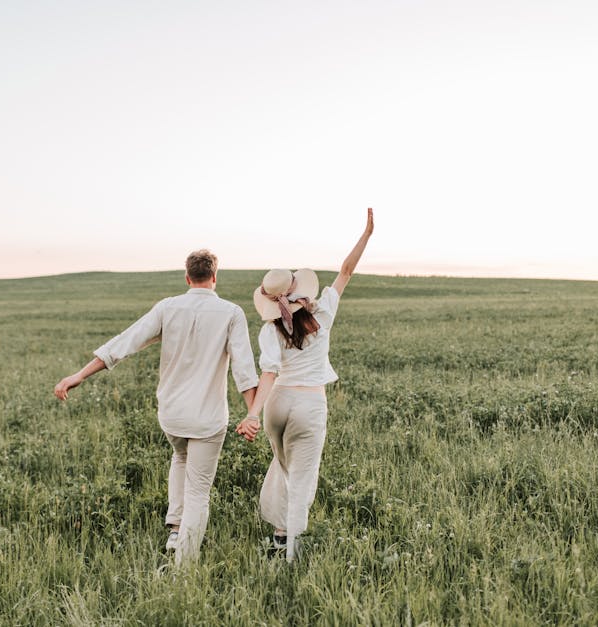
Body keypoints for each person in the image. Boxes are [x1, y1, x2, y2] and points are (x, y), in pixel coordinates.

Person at [55, 250, 259, 566]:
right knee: (198, 491)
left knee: (180, 456)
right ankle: (184, 567)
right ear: (215, 277)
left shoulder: (168, 307)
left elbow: (125, 342)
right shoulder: (231, 313)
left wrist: (79, 374)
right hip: (207, 418)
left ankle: (176, 530)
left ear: (187, 277)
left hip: (172, 415)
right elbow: (244, 369)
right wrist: (251, 414)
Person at [236, 208, 374, 562]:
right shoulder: (323, 313)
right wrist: (367, 234)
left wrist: (253, 413)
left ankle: (280, 538)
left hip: (277, 406)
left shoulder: (269, 329)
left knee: (284, 469)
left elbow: (268, 371)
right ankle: (290, 556)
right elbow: (345, 271)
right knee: (302, 478)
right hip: (310, 405)